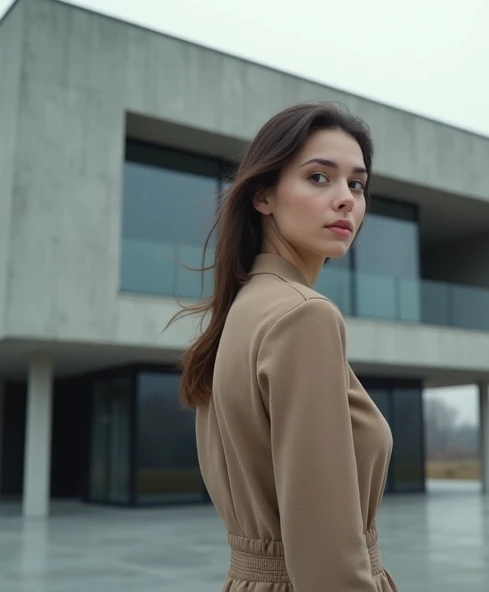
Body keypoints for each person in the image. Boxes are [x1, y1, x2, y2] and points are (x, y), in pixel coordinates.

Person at [170, 102, 399, 591]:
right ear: (264, 196)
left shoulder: (242, 311)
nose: (346, 200)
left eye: (356, 184)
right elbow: (328, 558)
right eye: (319, 178)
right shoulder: (304, 316)